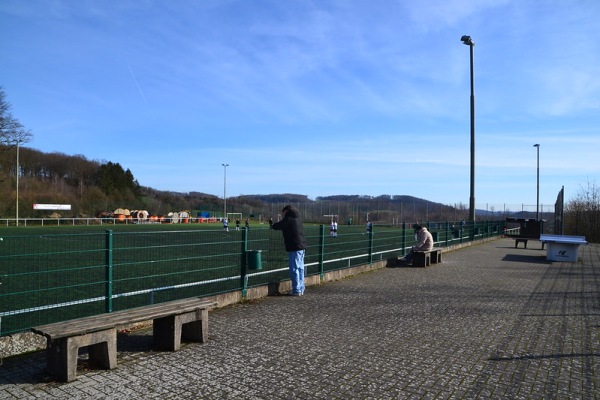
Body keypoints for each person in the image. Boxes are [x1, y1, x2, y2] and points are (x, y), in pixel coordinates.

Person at [271, 205, 306, 296]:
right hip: (301, 245)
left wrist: (272, 226)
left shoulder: (289, 218)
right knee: (300, 268)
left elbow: (280, 225)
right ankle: (301, 288)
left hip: (294, 246)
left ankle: (296, 290)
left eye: (283, 213)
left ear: (286, 211)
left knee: (294, 269)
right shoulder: (297, 217)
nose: (283, 215)